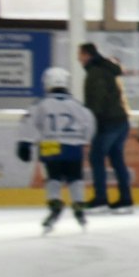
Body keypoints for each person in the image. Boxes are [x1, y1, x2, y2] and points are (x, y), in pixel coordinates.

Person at [18, 66, 96, 233]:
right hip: (74, 146)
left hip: (50, 144)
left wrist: (25, 143)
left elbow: (29, 122)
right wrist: (85, 140)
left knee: (53, 177)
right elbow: (89, 122)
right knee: (75, 177)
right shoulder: (78, 105)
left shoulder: (41, 104)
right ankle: (78, 203)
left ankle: (54, 202)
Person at [78, 42, 134, 213]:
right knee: (117, 159)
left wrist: (93, 124)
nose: (78, 58)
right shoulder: (106, 69)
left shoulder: (96, 72)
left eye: (80, 54)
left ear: (87, 54)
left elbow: (97, 101)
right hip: (120, 120)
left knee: (96, 157)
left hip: (107, 122)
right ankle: (126, 199)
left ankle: (101, 198)